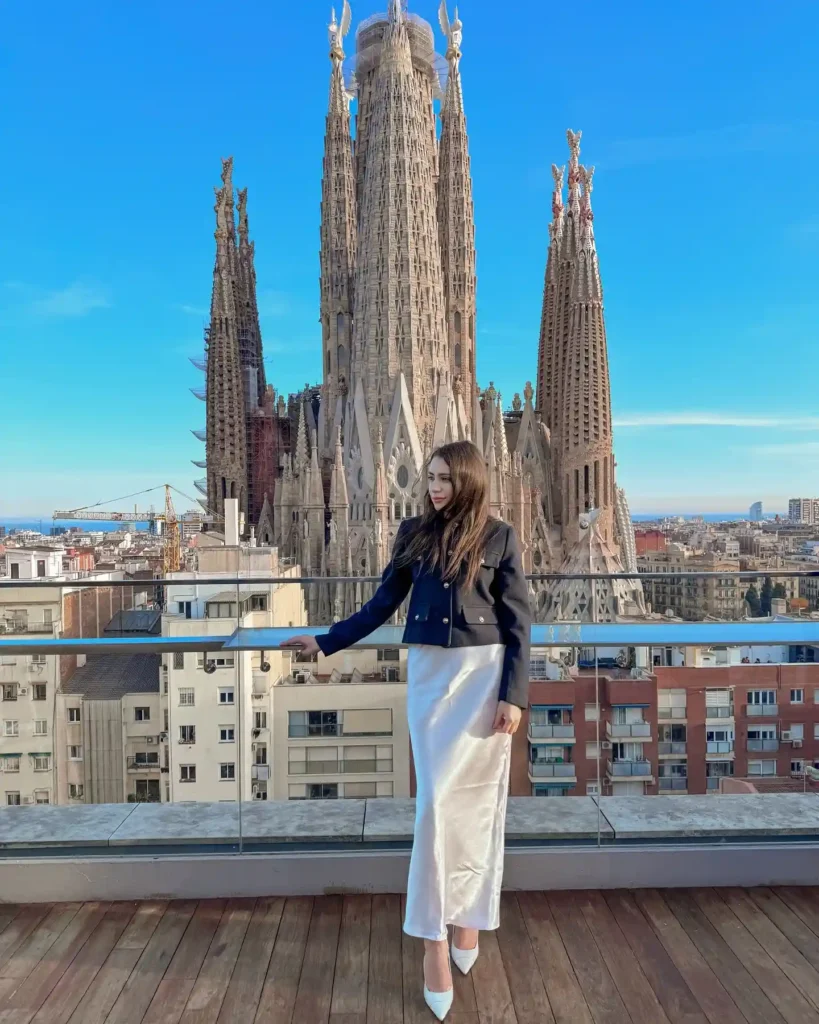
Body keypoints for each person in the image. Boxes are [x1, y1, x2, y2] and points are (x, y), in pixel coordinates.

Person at [282, 439, 531, 1021]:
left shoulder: (499, 537)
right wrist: (326, 641)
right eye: (430, 478)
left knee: (478, 808)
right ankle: (432, 941)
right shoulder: (413, 534)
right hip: (430, 678)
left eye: (445, 478)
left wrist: (514, 696)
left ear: (468, 480)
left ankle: (469, 918)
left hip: (482, 676)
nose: (435, 488)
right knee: (436, 808)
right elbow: (381, 604)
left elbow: (519, 622)